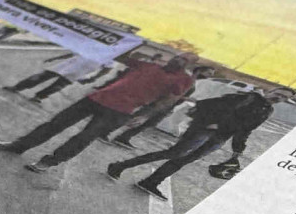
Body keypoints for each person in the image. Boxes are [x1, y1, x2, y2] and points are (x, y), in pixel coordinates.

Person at [0, 54, 195, 172]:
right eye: (178, 56)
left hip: (120, 111)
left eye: (185, 59)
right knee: (54, 124)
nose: (179, 59)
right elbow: (120, 55)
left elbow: (168, 100)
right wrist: (135, 45)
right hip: (96, 98)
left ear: (189, 65)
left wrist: (145, 116)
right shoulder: (149, 64)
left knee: (84, 137)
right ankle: (18, 146)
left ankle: (48, 162)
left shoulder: (183, 80)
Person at [105, 85, 275, 198]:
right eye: (278, 93)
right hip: (206, 130)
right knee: (173, 153)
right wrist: (210, 122)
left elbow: (246, 129)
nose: (279, 97)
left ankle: (151, 182)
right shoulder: (248, 97)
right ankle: (120, 166)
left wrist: (238, 150)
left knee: (183, 160)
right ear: (269, 91)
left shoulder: (268, 110)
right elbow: (210, 104)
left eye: (283, 98)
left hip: (220, 138)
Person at [5, 46, 117, 101]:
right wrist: (55, 58)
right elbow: (72, 53)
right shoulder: (93, 46)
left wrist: (93, 78)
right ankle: (17, 87)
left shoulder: (112, 56)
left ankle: (39, 97)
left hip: (80, 71)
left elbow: (107, 69)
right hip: (67, 65)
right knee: (40, 77)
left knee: (58, 86)